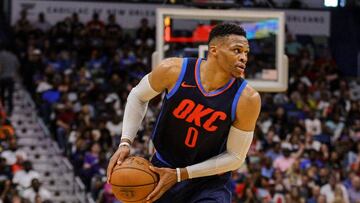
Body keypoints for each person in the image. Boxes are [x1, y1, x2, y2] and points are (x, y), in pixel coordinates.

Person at [107, 23, 261, 202]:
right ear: (214, 50)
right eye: (237, 50)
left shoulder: (247, 99)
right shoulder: (173, 70)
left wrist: (182, 174)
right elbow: (137, 96)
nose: (243, 58)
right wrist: (125, 142)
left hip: (209, 181)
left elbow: (235, 157)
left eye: (246, 53)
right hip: (162, 168)